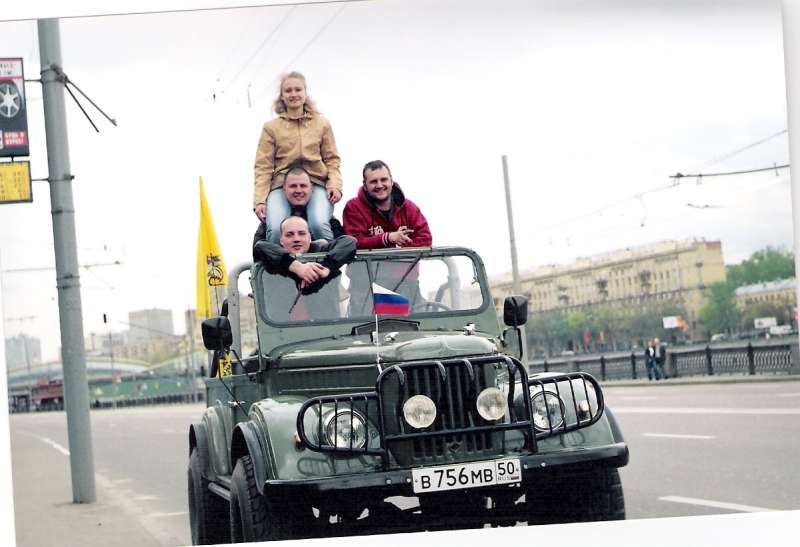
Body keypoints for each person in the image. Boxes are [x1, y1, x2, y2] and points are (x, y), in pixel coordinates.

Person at [253, 71, 342, 242]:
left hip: (316, 182)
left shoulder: (321, 123)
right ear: (282, 96)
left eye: (298, 89)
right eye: (288, 91)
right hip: (282, 185)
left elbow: (332, 160)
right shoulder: (271, 128)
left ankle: (329, 258)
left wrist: (335, 185)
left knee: (318, 223)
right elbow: (263, 167)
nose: (293, 94)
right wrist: (259, 201)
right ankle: (277, 259)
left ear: (305, 93)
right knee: (276, 227)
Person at [253, 216, 356, 321]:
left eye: (302, 233)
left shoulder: (321, 253)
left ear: (309, 237)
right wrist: (297, 267)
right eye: (289, 235)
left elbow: (349, 242)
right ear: (281, 240)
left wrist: (326, 267)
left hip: (325, 325)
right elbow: (259, 246)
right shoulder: (273, 259)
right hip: (281, 327)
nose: (296, 239)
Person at [342, 160, 432, 249]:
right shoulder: (353, 208)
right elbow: (353, 243)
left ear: (391, 181)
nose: (379, 185)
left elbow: (426, 239)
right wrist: (387, 238)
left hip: (406, 259)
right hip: (367, 259)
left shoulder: (409, 207)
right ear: (365, 185)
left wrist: (399, 244)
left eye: (383, 180)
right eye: (373, 181)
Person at [254, 165, 343, 243]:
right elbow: (258, 250)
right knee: (275, 230)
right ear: (284, 188)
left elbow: (344, 245)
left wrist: (335, 185)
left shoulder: (328, 223)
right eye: (293, 186)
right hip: (283, 257)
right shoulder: (270, 223)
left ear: (311, 187)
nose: (298, 190)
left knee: (319, 226)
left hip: (321, 257)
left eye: (303, 186)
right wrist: (259, 201)